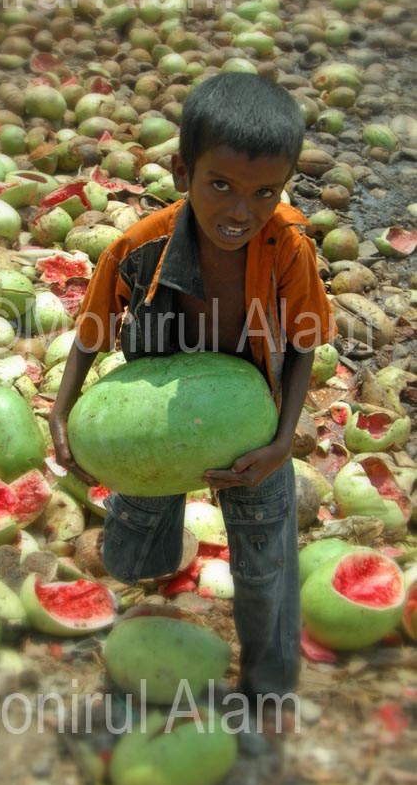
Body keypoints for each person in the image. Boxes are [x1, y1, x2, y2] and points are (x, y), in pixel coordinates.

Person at [49, 73, 336, 714]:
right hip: (157, 417)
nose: (242, 210)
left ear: (286, 183)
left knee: (267, 568)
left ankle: (267, 689)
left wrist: (284, 440)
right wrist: (61, 412)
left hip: (252, 432)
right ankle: (149, 619)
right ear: (183, 173)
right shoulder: (137, 247)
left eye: (266, 191)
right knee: (132, 544)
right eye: (222, 186)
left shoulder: (287, 245)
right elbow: (91, 332)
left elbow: (306, 344)